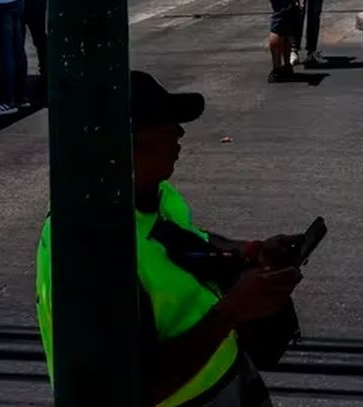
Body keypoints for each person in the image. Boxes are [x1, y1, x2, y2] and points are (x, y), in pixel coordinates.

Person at [36, 71, 306, 403]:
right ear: (126, 146)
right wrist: (231, 311)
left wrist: (248, 250)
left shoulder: (147, 194)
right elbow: (131, 390)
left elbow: (181, 239)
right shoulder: (92, 253)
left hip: (226, 381)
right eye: (165, 125)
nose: (179, 132)